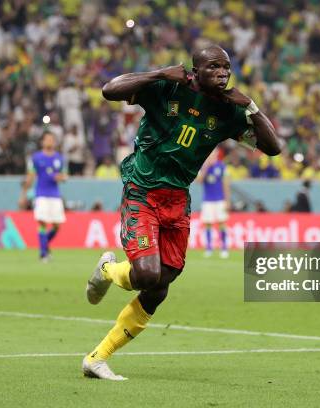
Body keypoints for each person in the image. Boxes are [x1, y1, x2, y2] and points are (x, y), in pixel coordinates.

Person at [83, 45, 281, 380]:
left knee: (161, 285)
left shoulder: (230, 110)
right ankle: (107, 270)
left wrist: (251, 106)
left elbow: (274, 148)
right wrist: (158, 72)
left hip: (177, 200)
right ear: (196, 69)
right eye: (214, 67)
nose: (223, 73)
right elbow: (109, 90)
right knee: (146, 274)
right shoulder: (168, 87)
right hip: (142, 190)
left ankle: (96, 357)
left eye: (227, 67)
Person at [20, 131, 67, 262]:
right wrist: (23, 195)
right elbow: (30, 177)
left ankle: (45, 246)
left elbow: (64, 176)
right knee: (42, 222)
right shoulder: (36, 158)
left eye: (52, 139)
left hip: (55, 195)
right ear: (42, 142)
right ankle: (43, 254)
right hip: (41, 194)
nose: (50, 141)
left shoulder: (59, 158)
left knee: (57, 225)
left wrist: (60, 177)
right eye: (47, 139)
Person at [197, 148, 230, 258]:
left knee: (222, 223)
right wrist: (207, 166)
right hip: (208, 200)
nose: (212, 155)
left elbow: (226, 184)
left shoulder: (221, 166)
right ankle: (209, 248)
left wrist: (227, 200)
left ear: (216, 154)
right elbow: (200, 181)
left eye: (213, 154)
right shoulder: (204, 167)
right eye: (210, 154)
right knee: (208, 224)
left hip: (220, 200)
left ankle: (224, 248)